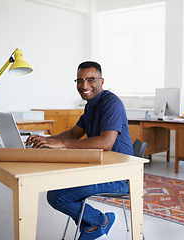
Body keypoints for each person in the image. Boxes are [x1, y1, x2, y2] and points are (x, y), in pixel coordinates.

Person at [26, 61, 134, 240]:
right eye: (79, 80)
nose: (84, 86)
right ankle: (94, 225)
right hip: (101, 168)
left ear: (101, 81)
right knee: (57, 189)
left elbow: (106, 142)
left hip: (119, 176)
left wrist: (60, 144)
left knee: (57, 196)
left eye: (90, 80)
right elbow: (74, 133)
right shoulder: (91, 105)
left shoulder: (111, 103)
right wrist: (46, 140)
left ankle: (100, 221)